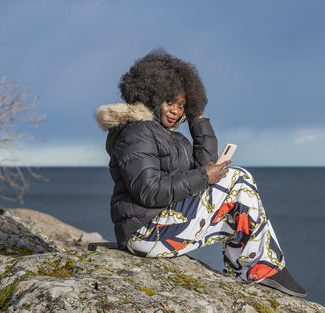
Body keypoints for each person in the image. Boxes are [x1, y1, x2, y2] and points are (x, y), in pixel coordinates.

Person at [95, 49, 306, 297]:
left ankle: (253, 269)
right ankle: (262, 269)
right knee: (239, 179)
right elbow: (149, 191)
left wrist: (198, 119)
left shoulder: (172, 137)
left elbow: (203, 168)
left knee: (235, 200)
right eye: (169, 101)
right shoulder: (137, 133)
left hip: (164, 225)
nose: (175, 110)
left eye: (182, 104)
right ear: (152, 96)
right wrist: (205, 176)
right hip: (145, 233)